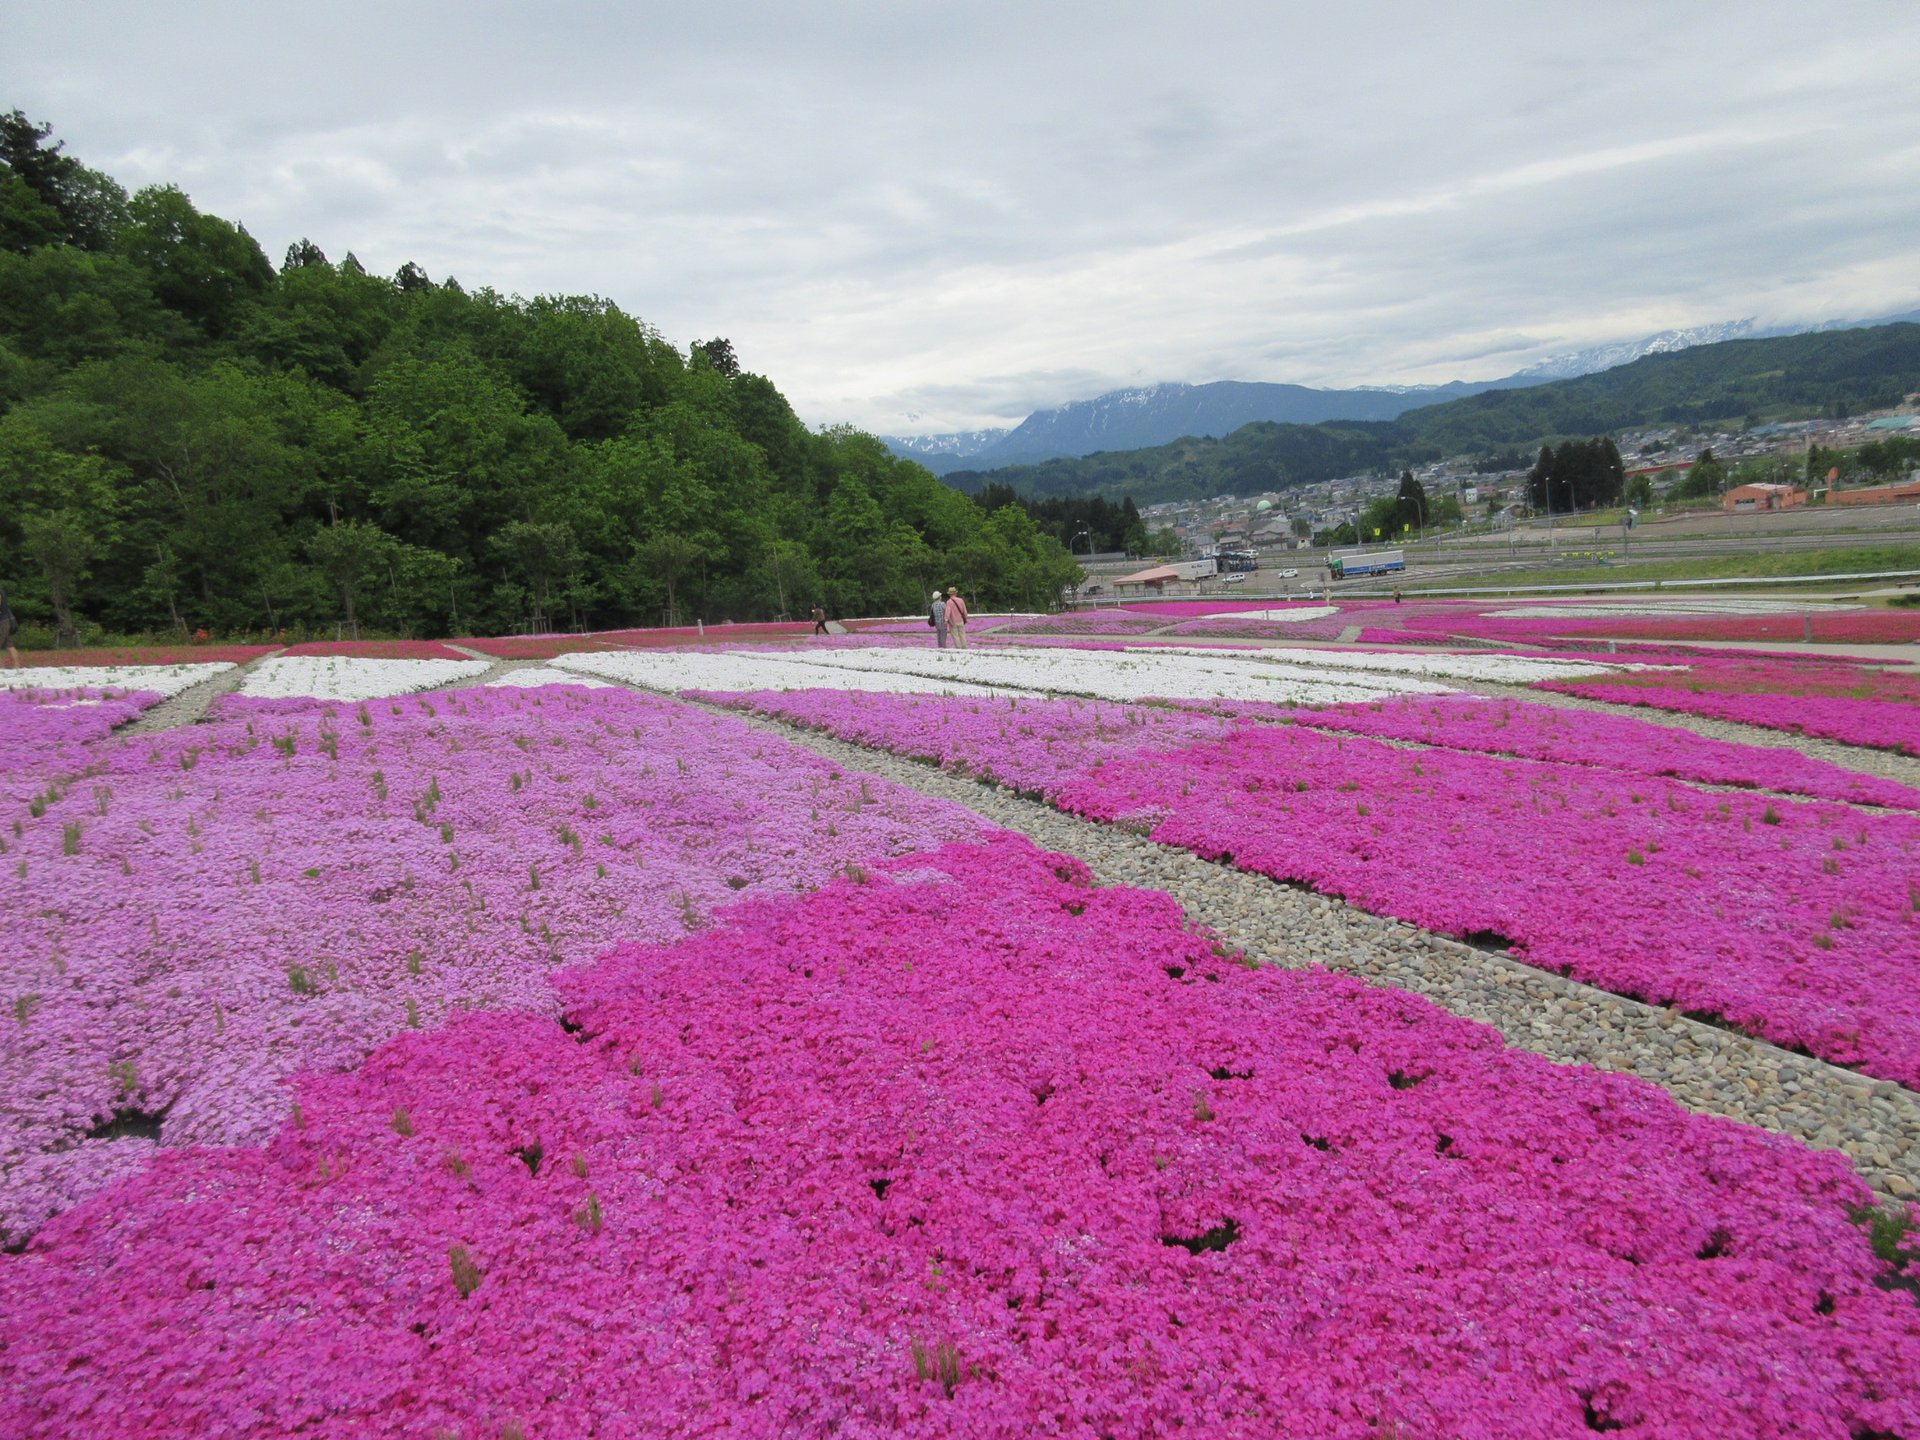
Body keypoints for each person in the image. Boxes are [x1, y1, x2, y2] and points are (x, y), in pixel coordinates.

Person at [0, 587, 17, 668]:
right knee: (9, 644)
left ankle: (1, 665)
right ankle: (16, 665)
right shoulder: (1, 590)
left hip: (2, 621)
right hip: (5, 620)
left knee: (2, 643)